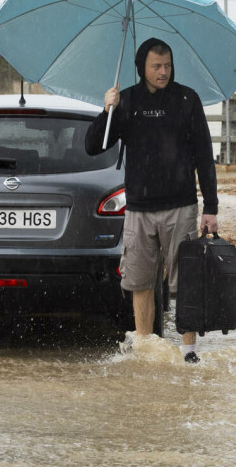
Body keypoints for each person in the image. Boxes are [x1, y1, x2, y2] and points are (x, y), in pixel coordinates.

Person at [85, 37, 218, 362]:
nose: (163, 72)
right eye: (156, 66)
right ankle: (144, 346)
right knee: (140, 282)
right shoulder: (126, 101)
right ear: (141, 68)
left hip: (181, 207)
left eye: (167, 65)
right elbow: (93, 146)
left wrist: (210, 208)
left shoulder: (187, 99)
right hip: (139, 210)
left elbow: (204, 154)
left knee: (185, 282)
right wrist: (107, 110)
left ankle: (188, 349)